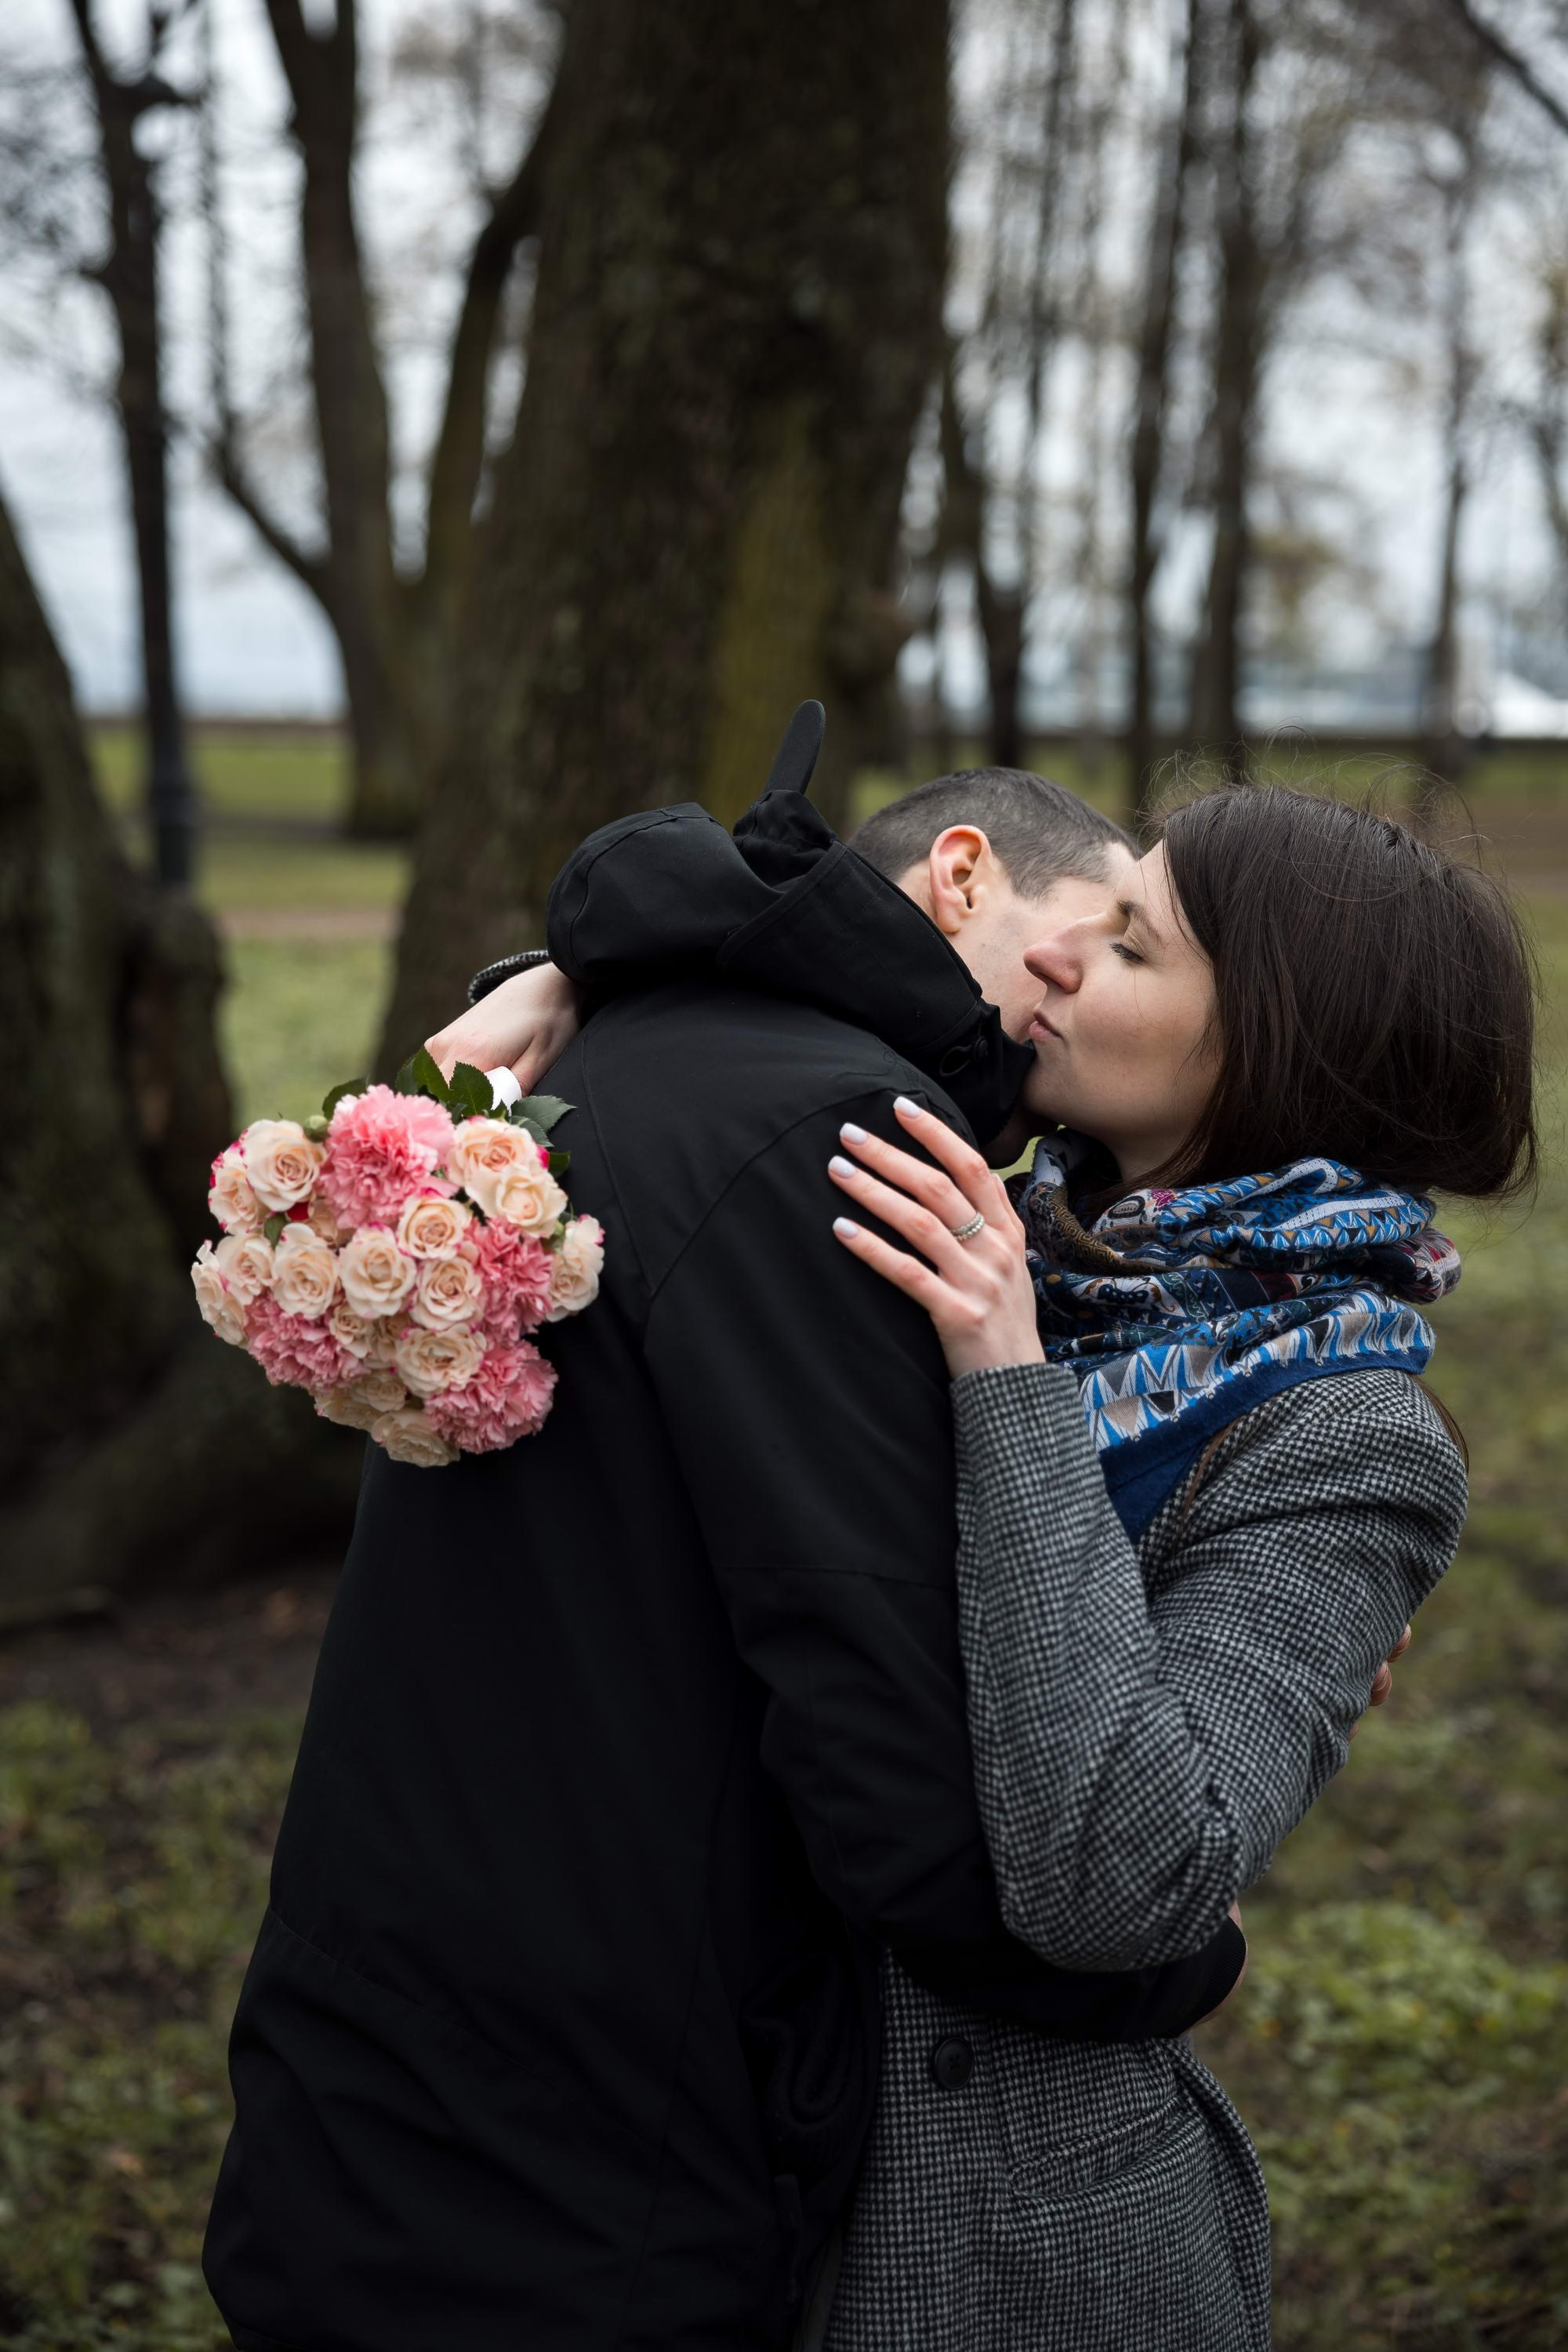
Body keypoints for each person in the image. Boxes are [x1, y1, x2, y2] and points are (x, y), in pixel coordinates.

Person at [440, 750, 1536, 2352]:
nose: (1061, 958)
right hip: (714, 2151)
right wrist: (572, 988)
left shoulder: (1340, 1433)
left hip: (1001, 2244)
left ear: (1283, 1046)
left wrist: (1007, 1381)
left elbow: (1122, 1879)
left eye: (1140, 950)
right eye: (1100, 916)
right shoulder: (1004, 1224)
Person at [201, 706, 1249, 2352]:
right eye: (1093, 938)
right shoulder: (837, 1147)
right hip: (578, 2170)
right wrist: (1157, 1967)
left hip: (394, 2055)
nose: (1099, 994)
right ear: (961, 873)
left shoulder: (624, 1044)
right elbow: (884, 1745)